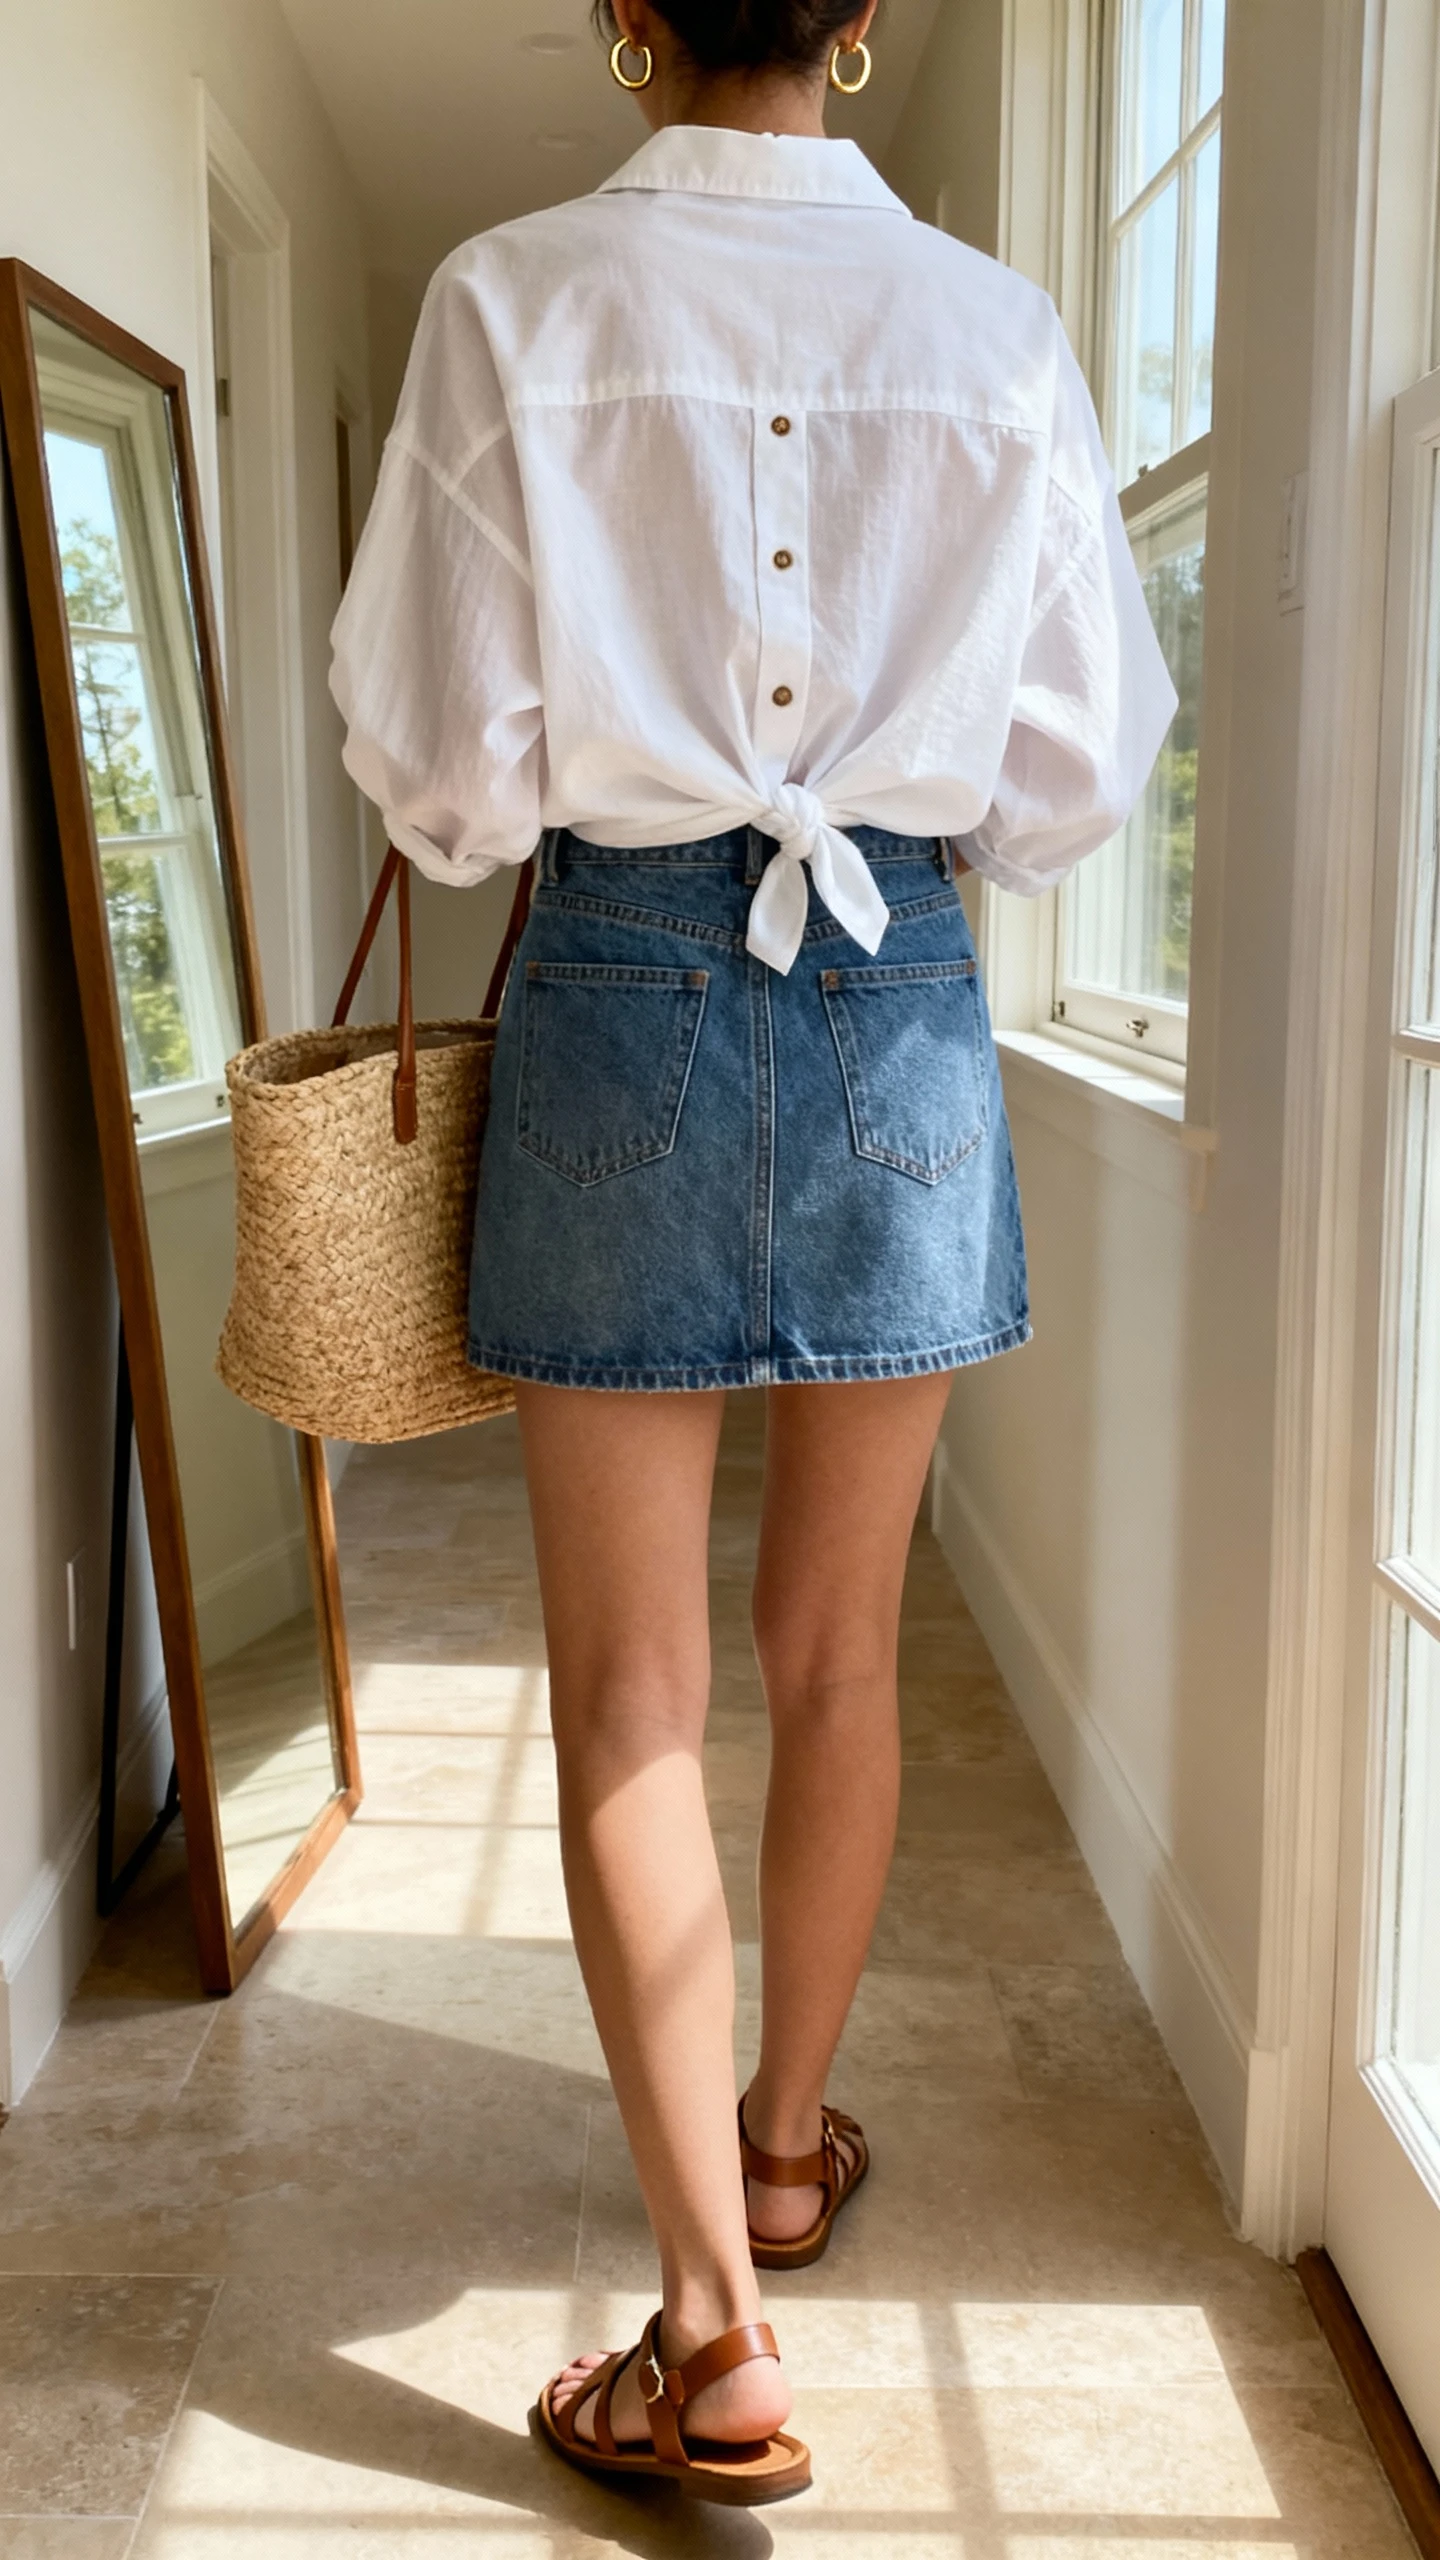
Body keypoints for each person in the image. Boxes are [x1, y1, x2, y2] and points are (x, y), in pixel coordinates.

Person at [330, 0, 1177, 2506]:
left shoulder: (510, 296)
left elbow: (443, 774)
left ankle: (706, 2335)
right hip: (901, 990)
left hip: (616, 984)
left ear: (618, 24)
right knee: (835, 1656)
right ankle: (785, 2146)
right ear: (869, 25)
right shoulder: (999, 327)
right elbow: (1077, 771)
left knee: (628, 1697)